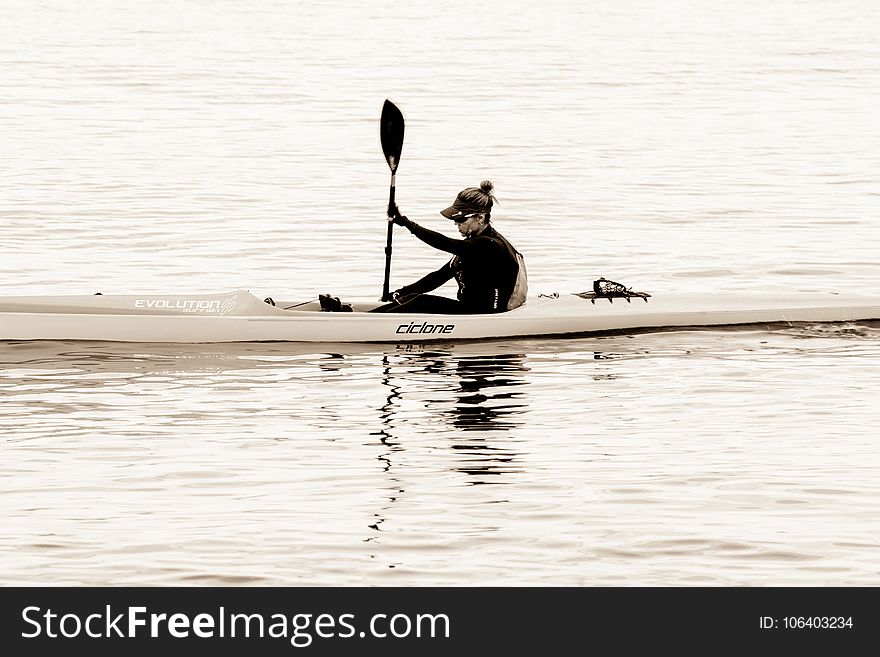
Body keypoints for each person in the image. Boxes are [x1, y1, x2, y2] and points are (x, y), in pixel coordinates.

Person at [379, 180, 527, 314]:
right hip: (470, 308)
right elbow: (438, 277)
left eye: (460, 219)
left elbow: (445, 243)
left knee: (420, 302)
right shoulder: (473, 244)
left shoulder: (490, 245)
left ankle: (372, 324)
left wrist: (407, 223)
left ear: (480, 218)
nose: (456, 223)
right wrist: (399, 293)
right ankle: (369, 318)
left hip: (486, 314)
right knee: (411, 297)